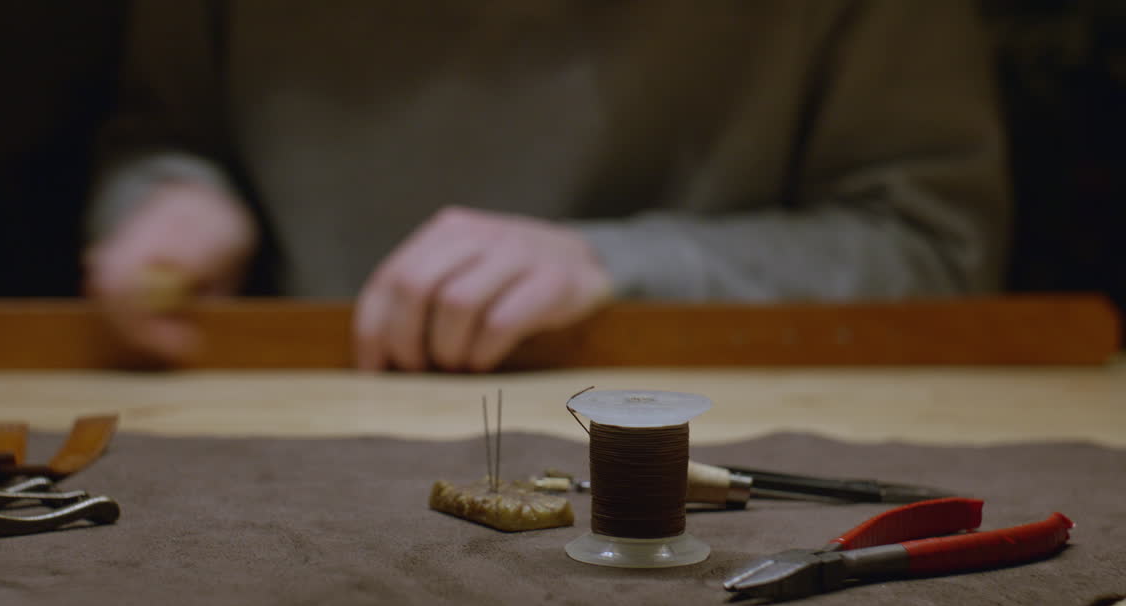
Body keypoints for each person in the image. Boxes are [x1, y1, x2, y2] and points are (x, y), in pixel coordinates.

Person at [84, 0, 1008, 372]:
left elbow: (932, 249)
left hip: (718, 444)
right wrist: (171, 195)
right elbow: (166, 132)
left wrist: (618, 268)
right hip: (290, 430)